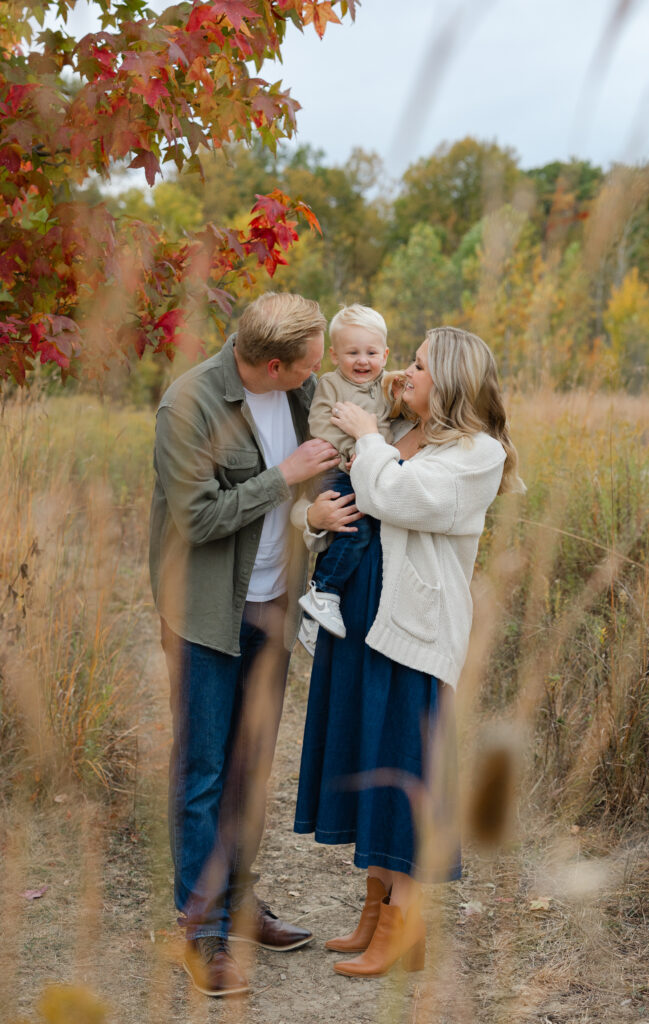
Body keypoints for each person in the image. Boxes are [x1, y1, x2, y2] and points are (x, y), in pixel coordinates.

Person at [292, 326, 524, 978]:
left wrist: (368, 435)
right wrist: (374, 431)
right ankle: (374, 910)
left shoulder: (477, 452)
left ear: (447, 380)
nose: (406, 372)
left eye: (419, 365)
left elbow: (392, 496)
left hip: (414, 632)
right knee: (373, 759)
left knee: (404, 766)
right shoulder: (404, 432)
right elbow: (353, 490)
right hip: (367, 621)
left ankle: (405, 928)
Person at [149, 292, 341, 998]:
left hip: (274, 608)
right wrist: (283, 479)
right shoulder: (188, 405)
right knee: (202, 770)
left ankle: (239, 902)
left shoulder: (303, 394)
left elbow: (333, 448)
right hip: (204, 613)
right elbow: (198, 519)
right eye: (307, 366)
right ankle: (201, 931)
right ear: (269, 363)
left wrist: (313, 508)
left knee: (251, 767)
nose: (315, 377)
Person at [298, 304, 394, 642]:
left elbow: (393, 423)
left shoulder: (389, 385)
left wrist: (376, 450)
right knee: (355, 528)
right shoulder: (330, 384)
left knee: (367, 532)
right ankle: (323, 591)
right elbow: (322, 423)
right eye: (352, 352)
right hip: (339, 470)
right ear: (335, 355)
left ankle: (313, 616)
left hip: (371, 468)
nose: (362, 361)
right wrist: (351, 452)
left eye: (371, 352)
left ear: (385, 354)